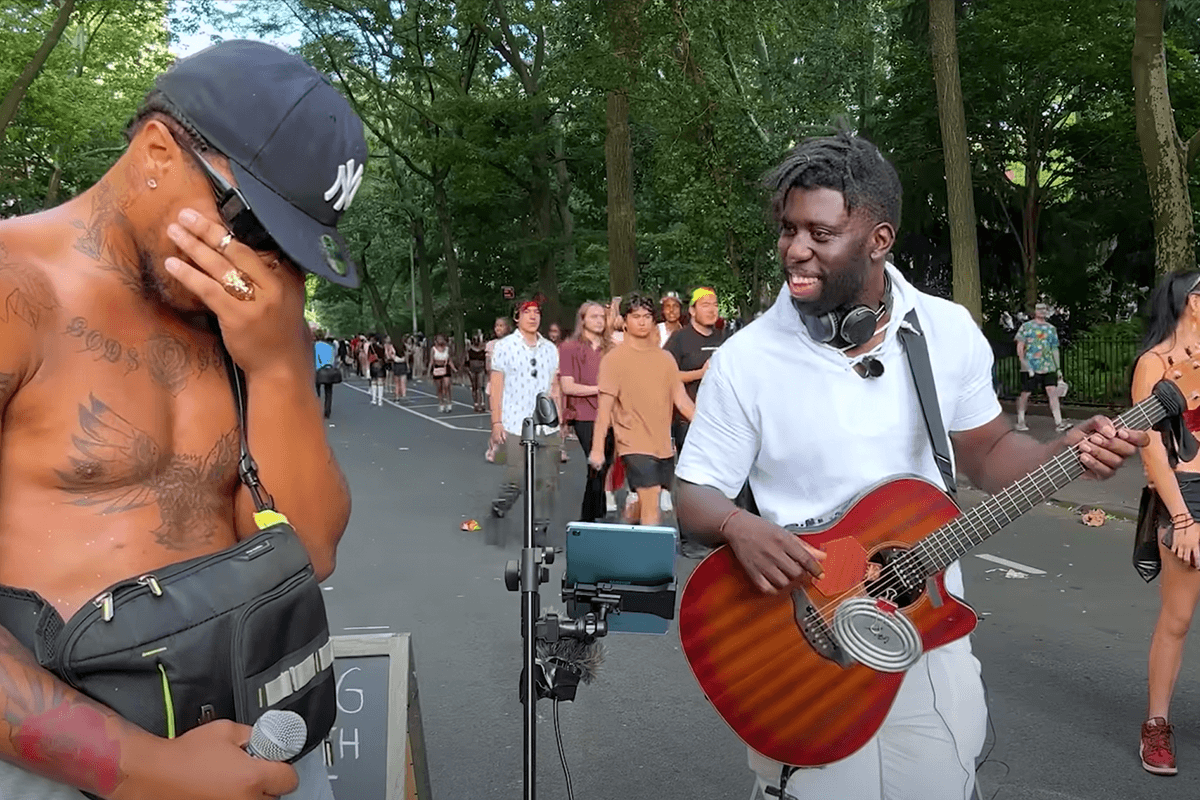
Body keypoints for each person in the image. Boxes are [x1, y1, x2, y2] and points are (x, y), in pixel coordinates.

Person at [673, 131, 1145, 800]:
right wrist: (735, 528)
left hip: (922, 631)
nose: (795, 250)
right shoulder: (746, 360)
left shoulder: (946, 331)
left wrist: (1052, 455)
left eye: (820, 232)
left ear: (879, 239)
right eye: (787, 229)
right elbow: (695, 493)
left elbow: (982, 451)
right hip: (797, 642)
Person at [0, 40, 364, 799]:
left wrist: (277, 364)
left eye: (289, 249)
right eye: (255, 227)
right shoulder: (15, 293)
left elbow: (311, 548)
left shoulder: (249, 317)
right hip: (63, 760)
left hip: (255, 731)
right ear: (158, 153)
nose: (265, 266)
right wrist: (142, 770)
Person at [1130, 270, 1200, 776]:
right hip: (1187, 494)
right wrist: (1182, 518)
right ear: (1192, 302)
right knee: (1177, 619)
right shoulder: (1153, 364)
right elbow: (1151, 447)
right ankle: (1156, 726)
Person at [589, 293, 695, 527]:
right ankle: (650, 560)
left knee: (647, 499)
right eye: (636, 316)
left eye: (647, 316)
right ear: (624, 321)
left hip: (663, 444)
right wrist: (597, 449)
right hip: (632, 441)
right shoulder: (614, 360)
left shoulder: (666, 359)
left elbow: (683, 402)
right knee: (651, 499)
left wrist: (712, 428)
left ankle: (625, 528)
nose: (642, 321)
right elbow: (604, 409)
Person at [490, 300, 561, 515]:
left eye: (536, 312)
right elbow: (496, 386)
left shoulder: (550, 349)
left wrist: (561, 422)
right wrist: (496, 422)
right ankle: (501, 504)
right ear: (517, 317)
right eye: (527, 312)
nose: (533, 316)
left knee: (548, 481)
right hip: (515, 423)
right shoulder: (504, 347)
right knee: (517, 478)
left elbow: (555, 387)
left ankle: (540, 529)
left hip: (547, 426)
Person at [561, 301, 616, 521]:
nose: (599, 321)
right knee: (597, 463)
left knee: (606, 464)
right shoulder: (569, 347)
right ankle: (588, 518)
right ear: (582, 319)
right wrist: (600, 389)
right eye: (594, 316)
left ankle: (598, 512)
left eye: (602, 317)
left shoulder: (611, 348)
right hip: (584, 415)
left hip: (611, 415)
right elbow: (568, 386)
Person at [1014, 302, 1069, 432]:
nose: (1042, 311)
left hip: (1048, 366)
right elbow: (1020, 345)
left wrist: (1058, 368)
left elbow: (1054, 349)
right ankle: (1021, 420)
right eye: (1039, 309)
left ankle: (1059, 422)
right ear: (1034, 311)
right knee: (1025, 393)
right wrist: (1023, 362)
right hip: (1030, 365)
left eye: (1044, 309)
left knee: (1052, 392)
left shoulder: (1051, 329)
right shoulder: (1026, 327)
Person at [484, 316, 512, 461]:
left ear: (508, 328)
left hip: (512, 386)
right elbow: (489, 367)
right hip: (496, 384)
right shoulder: (491, 345)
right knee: (495, 417)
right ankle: (493, 446)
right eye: (496, 326)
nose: (498, 329)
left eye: (502, 326)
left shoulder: (515, 343)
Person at [314, 330, 337, 419]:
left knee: (316, 390)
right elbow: (334, 359)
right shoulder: (331, 346)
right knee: (329, 391)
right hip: (329, 370)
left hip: (318, 370)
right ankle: (327, 411)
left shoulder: (314, 346)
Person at [429, 334, 455, 413]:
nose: (440, 340)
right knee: (439, 387)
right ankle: (441, 403)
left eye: (441, 339)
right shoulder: (433, 349)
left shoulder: (447, 349)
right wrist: (428, 371)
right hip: (437, 368)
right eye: (438, 339)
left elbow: (450, 360)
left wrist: (454, 368)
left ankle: (449, 402)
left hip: (445, 367)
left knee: (446, 386)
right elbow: (431, 361)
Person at [466, 330, 488, 412]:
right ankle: (476, 403)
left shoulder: (483, 349)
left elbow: (485, 359)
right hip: (472, 369)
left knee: (480, 386)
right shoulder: (469, 349)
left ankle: (482, 403)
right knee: (474, 386)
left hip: (481, 369)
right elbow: (466, 360)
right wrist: (468, 370)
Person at [388, 335, 408, 399]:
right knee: (403, 381)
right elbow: (407, 355)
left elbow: (390, 356)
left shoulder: (393, 347)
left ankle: (396, 395)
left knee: (396, 382)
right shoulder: (404, 346)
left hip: (396, 365)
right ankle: (403, 393)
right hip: (403, 364)